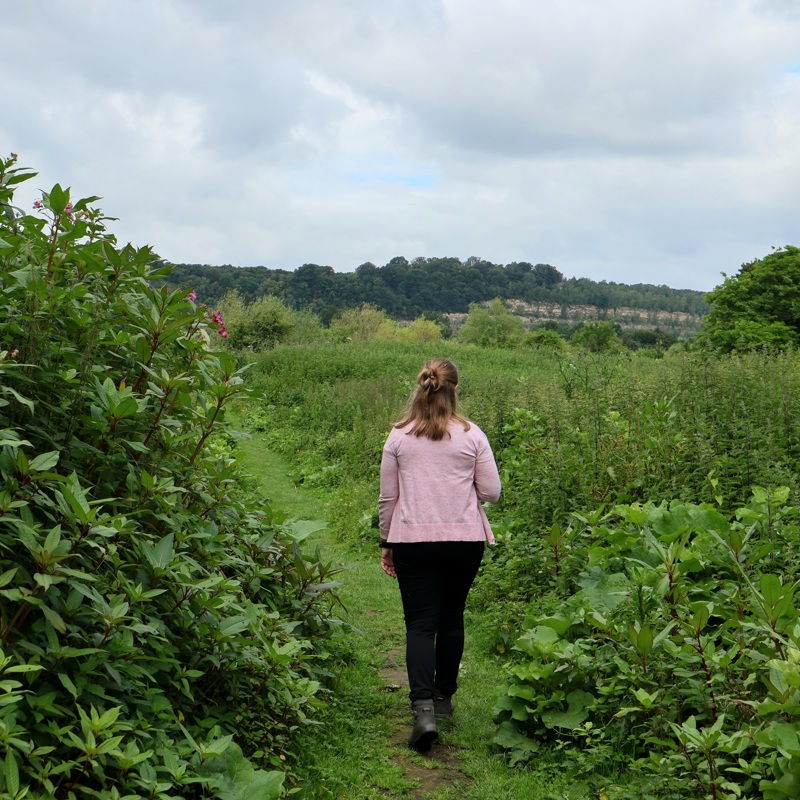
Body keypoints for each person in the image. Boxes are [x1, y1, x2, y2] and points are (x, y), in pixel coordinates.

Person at [378, 358, 501, 752]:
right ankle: (444, 699)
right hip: (464, 541)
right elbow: (491, 492)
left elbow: (388, 498)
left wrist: (387, 542)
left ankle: (423, 710)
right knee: (451, 617)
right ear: (456, 390)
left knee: (419, 625)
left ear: (423, 386)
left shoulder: (398, 436)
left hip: (412, 540)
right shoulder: (472, 435)